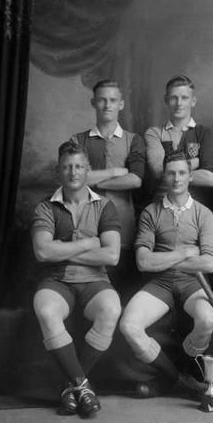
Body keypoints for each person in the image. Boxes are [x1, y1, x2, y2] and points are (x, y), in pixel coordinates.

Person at [31, 142, 122, 418]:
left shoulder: (105, 206)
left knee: (111, 309)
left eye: (79, 166)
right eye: (67, 167)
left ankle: (71, 387)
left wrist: (65, 250)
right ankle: (83, 386)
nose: (73, 172)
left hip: (95, 280)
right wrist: (89, 244)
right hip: (57, 280)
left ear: (88, 170)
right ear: (58, 171)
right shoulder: (46, 207)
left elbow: (112, 255)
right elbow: (43, 251)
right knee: (46, 310)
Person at [119, 151, 213, 399]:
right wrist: (184, 252)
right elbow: (143, 261)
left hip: (192, 283)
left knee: (207, 318)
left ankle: (173, 376)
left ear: (190, 176)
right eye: (171, 173)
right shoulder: (151, 212)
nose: (177, 178)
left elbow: (208, 263)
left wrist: (163, 260)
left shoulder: (203, 213)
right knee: (129, 325)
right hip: (159, 284)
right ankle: (178, 379)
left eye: (182, 172)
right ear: (164, 176)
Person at [70, 79, 147, 301]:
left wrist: (89, 180)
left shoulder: (134, 140)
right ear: (93, 102)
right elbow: (72, 179)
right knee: (86, 296)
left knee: (122, 295)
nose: (107, 105)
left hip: (123, 227)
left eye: (113, 100)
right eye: (102, 100)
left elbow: (134, 180)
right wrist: (114, 173)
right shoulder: (79, 140)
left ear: (121, 104)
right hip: (85, 226)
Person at [144, 75, 213, 207]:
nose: (179, 103)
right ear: (166, 100)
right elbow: (159, 171)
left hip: (196, 208)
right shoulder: (154, 133)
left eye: (184, 98)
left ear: (193, 101)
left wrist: (171, 172)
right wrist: (196, 162)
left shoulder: (205, 133)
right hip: (161, 206)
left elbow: (209, 179)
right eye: (174, 98)